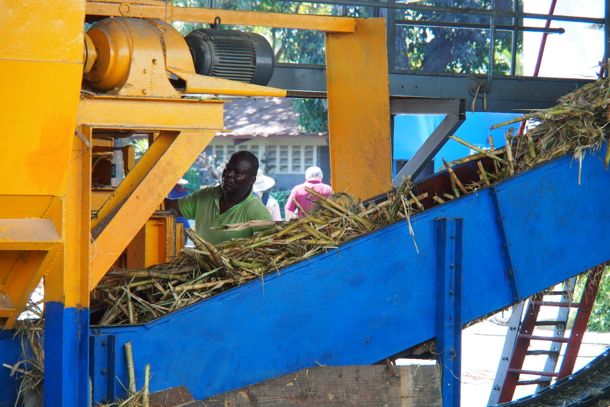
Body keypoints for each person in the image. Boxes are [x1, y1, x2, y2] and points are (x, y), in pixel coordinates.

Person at [166, 151, 273, 245]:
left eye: (238, 173)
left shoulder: (257, 212)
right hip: (199, 266)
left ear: (251, 180)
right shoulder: (205, 196)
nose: (229, 174)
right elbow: (169, 207)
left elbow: (268, 251)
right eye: (227, 168)